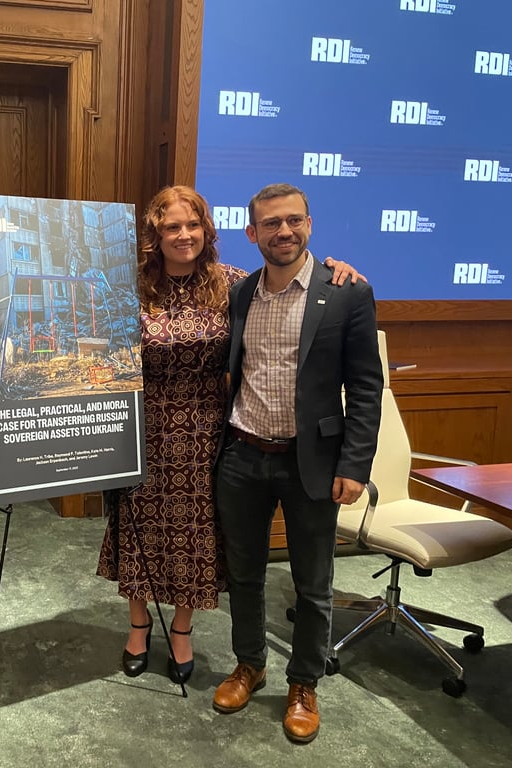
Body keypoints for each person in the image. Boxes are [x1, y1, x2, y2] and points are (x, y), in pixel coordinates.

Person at [96, 186, 360, 685]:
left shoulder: (232, 285)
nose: (184, 235)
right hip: (141, 430)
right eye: (172, 226)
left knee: (195, 535)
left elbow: (294, 280)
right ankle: (137, 626)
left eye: (193, 224)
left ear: (207, 230)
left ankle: (181, 630)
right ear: (155, 234)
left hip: (208, 434)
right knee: (138, 531)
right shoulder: (128, 288)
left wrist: (336, 268)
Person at [212, 183, 382, 744]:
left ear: (309, 224)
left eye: (293, 221)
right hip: (243, 455)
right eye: (271, 223)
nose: (283, 232)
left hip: (312, 462)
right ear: (252, 233)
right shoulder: (240, 293)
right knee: (244, 574)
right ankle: (249, 664)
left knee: (313, 583)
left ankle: (304, 683)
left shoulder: (346, 292)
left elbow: (365, 387)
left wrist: (355, 465)